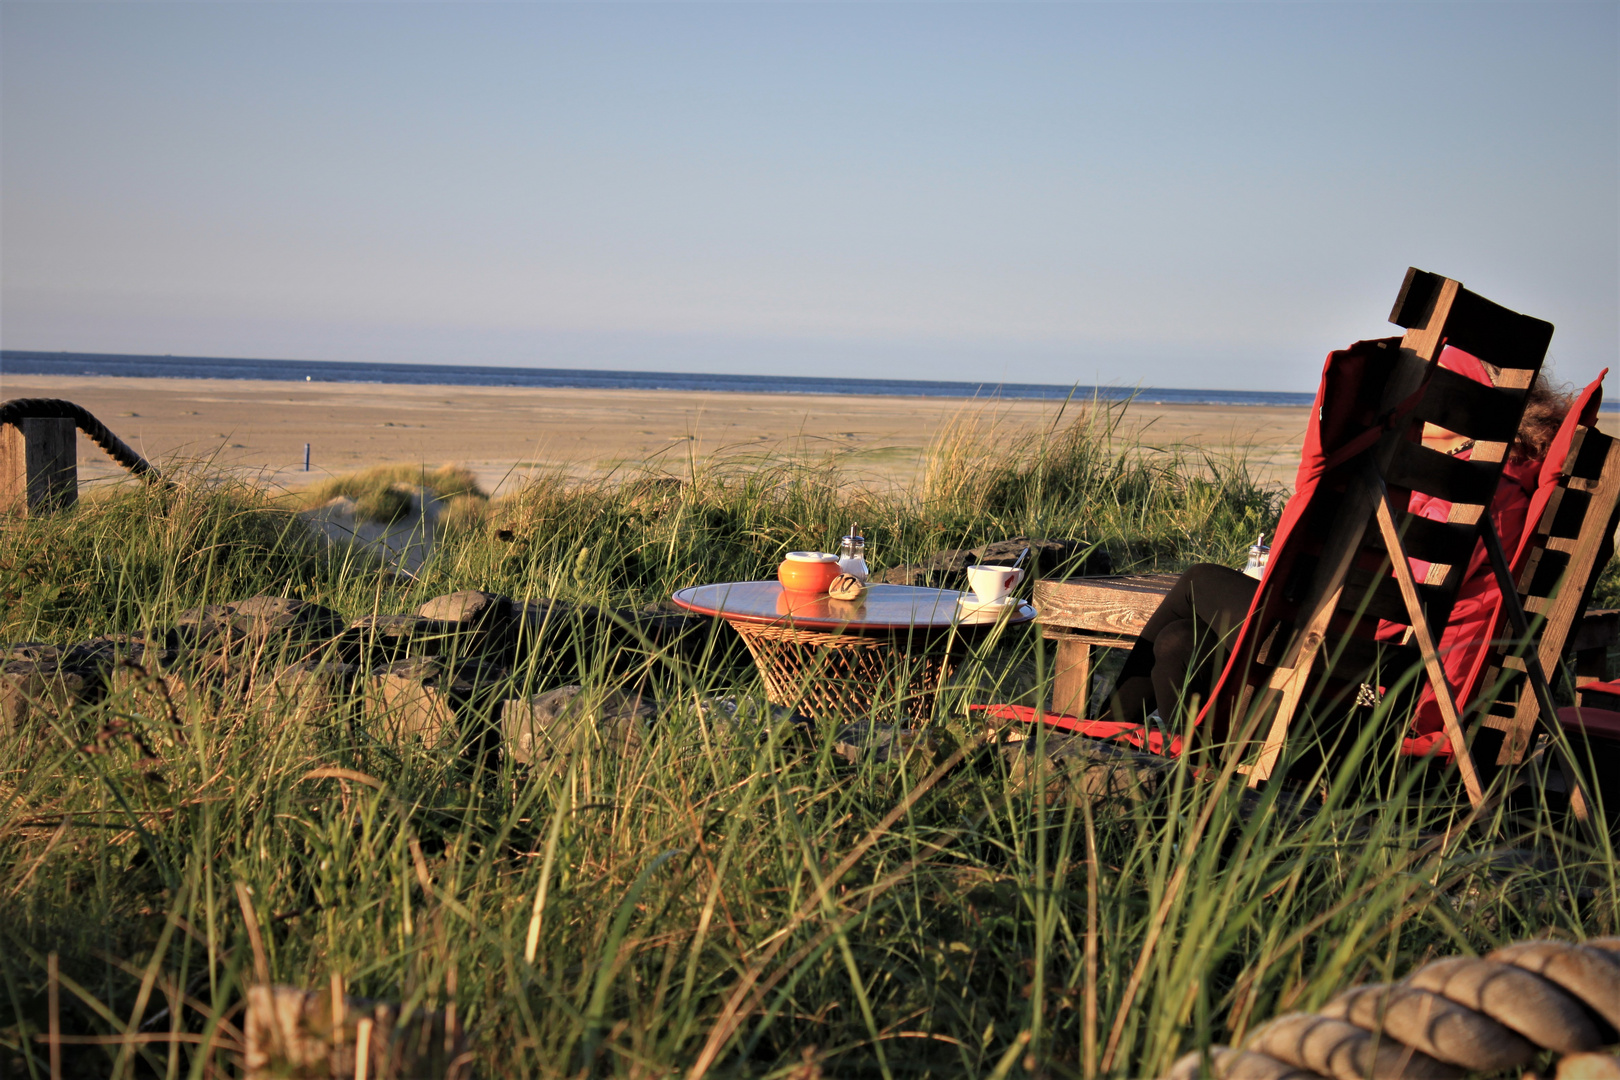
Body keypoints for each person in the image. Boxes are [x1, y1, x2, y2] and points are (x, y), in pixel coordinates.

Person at [1102, 347, 1572, 735]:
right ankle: (1151, 749)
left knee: (1199, 581)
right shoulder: (1500, 476)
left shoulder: (1473, 489)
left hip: (1379, 668)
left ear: (1476, 403)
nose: (1412, 397)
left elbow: (1405, 596)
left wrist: (1310, 570)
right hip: (1383, 649)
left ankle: (1106, 733)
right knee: (1179, 641)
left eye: (1433, 386)